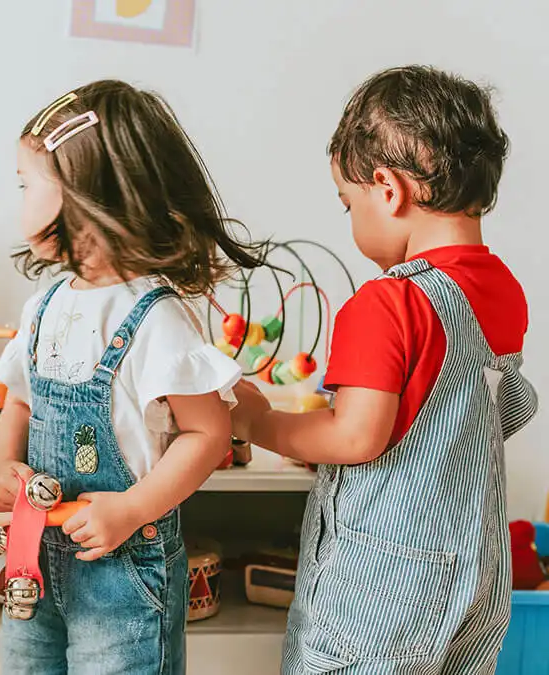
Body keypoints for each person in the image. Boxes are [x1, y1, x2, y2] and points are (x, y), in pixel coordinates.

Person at [232, 65, 538, 673]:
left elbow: (355, 437)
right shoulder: (503, 291)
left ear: (387, 188)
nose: (349, 221)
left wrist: (258, 421)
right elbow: (498, 412)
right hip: (477, 581)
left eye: (348, 203)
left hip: (385, 593)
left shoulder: (387, 302)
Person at [0, 80, 264, 674]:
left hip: (123, 576)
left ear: (82, 194)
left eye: (25, 182)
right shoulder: (46, 301)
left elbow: (208, 434)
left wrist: (132, 509)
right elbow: (19, 399)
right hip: (33, 557)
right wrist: (4, 467)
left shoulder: (155, 315)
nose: (17, 198)